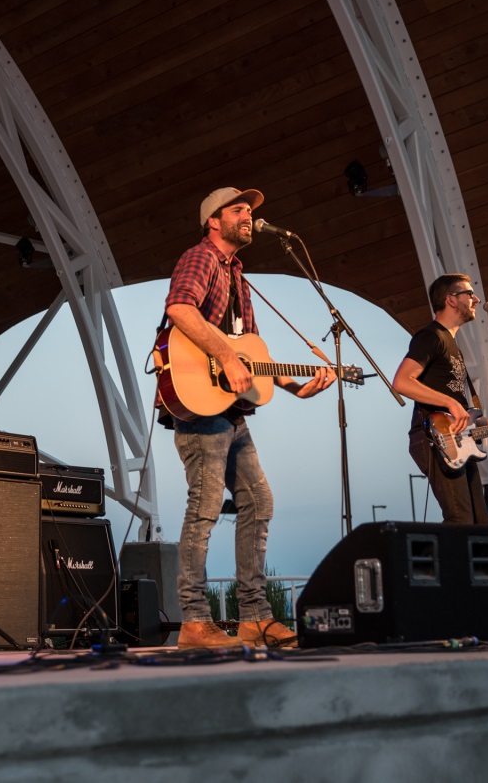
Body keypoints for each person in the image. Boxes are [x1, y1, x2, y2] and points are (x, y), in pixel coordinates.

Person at [161, 187, 335, 651]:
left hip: (230, 411)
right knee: (204, 508)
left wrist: (294, 386)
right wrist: (223, 356)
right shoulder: (201, 257)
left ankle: (254, 619)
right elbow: (179, 308)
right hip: (200, 406)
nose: (248, 215)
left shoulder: (237, 275)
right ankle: (194, 623)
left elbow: (252, 353)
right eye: (238, 209)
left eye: (250, 210)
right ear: (213, 221)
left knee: (259, 502)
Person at [392, 273, 488, 524]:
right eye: (470, 294)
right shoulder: (431, 336)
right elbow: (401, 382)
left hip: (456, 441)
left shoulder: (454, 347)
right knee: (460, 519)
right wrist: (451, 403)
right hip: (433, 437)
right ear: (451, 300)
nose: (476, 299)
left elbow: (467, 417)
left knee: (480, 522)